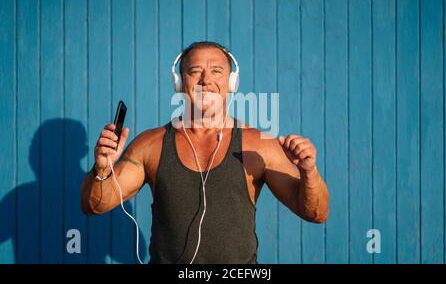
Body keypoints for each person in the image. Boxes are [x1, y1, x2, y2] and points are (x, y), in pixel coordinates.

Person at [80, 41, 329, 264]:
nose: (205, 80)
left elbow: (316, 213)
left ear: (232, 83)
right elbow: (94, 206)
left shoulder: (258, 144)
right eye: (194, 71)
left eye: (217, 71)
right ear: (179, 83)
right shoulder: (150, 144)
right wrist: (101, 169)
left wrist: (309, 172)